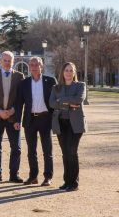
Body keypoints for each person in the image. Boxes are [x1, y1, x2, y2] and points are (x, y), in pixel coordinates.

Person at [15, 57, 57, 186]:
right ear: (29, 66)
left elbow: (56, 101)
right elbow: (18, 103)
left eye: (36, 64)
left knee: (47, 150)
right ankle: (33, 176)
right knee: (31, 150)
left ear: (41, 66)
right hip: (30, 119)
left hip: (45, 118)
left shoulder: (50, 81)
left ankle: (48, 177)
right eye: (31, 64)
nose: (34, 67)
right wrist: (17, 120)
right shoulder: (24, 83)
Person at [0, 51, 25, 183]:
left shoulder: (20, 76)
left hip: (13, 117)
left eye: (10, 61)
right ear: (0, 61)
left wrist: (13, 110)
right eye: (5, 60)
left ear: (13, 62)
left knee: (16, 147)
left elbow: (21, 97)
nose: (7, 63)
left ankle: (14, 174)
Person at [49, 62, 87, 192]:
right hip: (60, 123)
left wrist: (62, 101)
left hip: (75, 124)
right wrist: (68, 103)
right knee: (65, 153)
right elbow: (52, 103)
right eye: (66, 70)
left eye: (71, 70)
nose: (69, 73)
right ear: (62, 72)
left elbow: (78, 100)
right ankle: (67, 181)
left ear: (75, 72)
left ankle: (74, 183)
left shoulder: (81, 86)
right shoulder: (56, 87)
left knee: (72, 151)